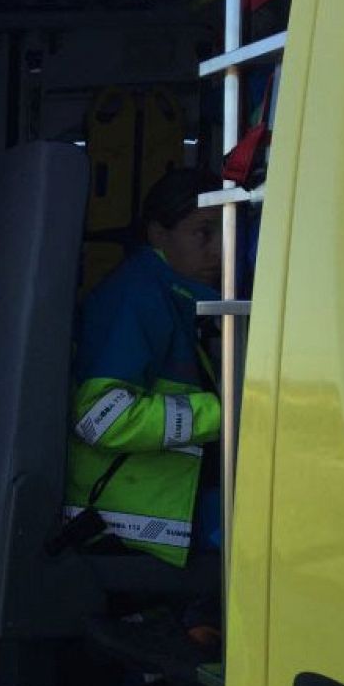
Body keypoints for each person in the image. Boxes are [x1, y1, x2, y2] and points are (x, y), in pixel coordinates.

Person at [64, 169, 224, 567]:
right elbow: (101, 416)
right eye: (204, 233)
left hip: (168, 514)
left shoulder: (178, 298)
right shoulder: (137, 298)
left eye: (228, 232)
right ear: (157, 234)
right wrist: (226, 413)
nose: (221, 251)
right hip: (125, 532)